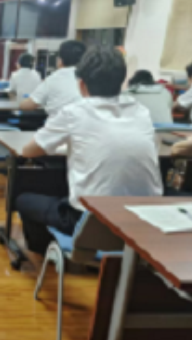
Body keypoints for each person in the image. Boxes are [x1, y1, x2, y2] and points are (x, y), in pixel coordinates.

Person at [16, 46, 163, 255]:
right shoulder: (141, 111)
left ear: (82, 84)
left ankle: (51, 254)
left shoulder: (75, 112)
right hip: (142, 221)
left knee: (24, 200)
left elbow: (28, 152)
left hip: (91, 222)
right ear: (122, 81)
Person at [20, 40, 86, 116]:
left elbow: (27, 105)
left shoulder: (53, 79)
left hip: (58, 122)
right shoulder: (90, 78)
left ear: (60, 60)